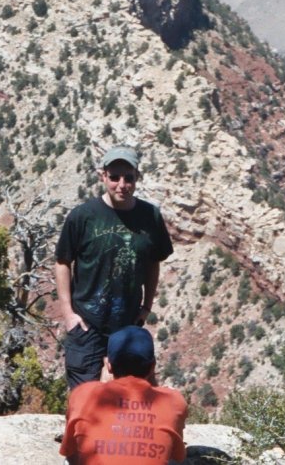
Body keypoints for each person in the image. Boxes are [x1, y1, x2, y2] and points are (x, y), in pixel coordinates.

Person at [55, 146, 173, 388]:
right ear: (103, 177)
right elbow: (62, 262)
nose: (122, 185)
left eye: (128, 178)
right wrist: (68, 314)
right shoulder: (83, 216)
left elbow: (154, 262)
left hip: (128, 328)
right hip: (86, 325)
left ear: (137, 178)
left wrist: (146, 307)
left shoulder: (150, 216)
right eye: (114, 177)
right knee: (84, 397)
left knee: (132, 397)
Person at [60, 325, 187, 464]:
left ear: (108, 365)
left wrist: (102, 386)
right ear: (153, 366)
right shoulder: (173, 401)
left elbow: (70, 452)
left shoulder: (82, 395)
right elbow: (177, 456)